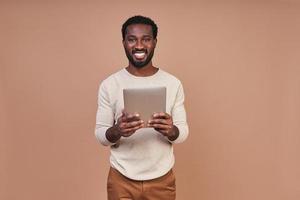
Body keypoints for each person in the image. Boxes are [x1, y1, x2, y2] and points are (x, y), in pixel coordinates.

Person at [95, 15, 189, 200]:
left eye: (145, 39)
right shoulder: (109, 84)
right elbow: (101, 135)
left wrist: (171, 130)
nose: (139, 46)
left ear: (154, 42)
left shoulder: (173, 83)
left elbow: (183, 132)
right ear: (123, 42)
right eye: (132, 39)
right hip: (121, 179)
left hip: (162, 180)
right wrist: (117, 130)